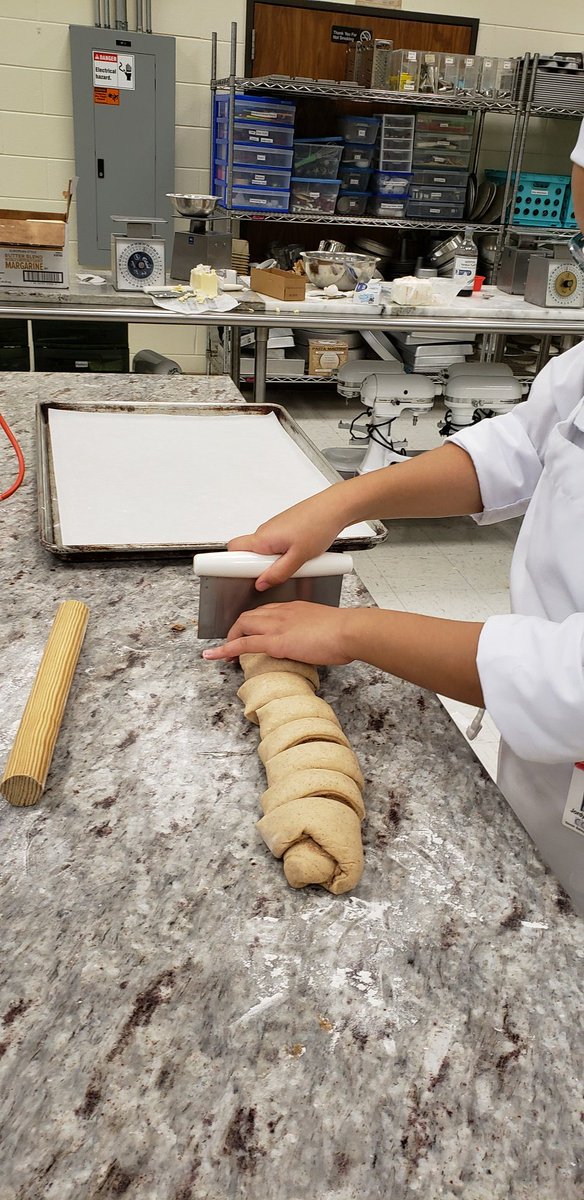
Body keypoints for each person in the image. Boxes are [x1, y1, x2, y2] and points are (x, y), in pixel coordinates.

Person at [204, 122, 584, 915]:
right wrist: (342, 501)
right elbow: (521, 447)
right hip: (538, 763)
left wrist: (353, 632)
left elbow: (571, 680)